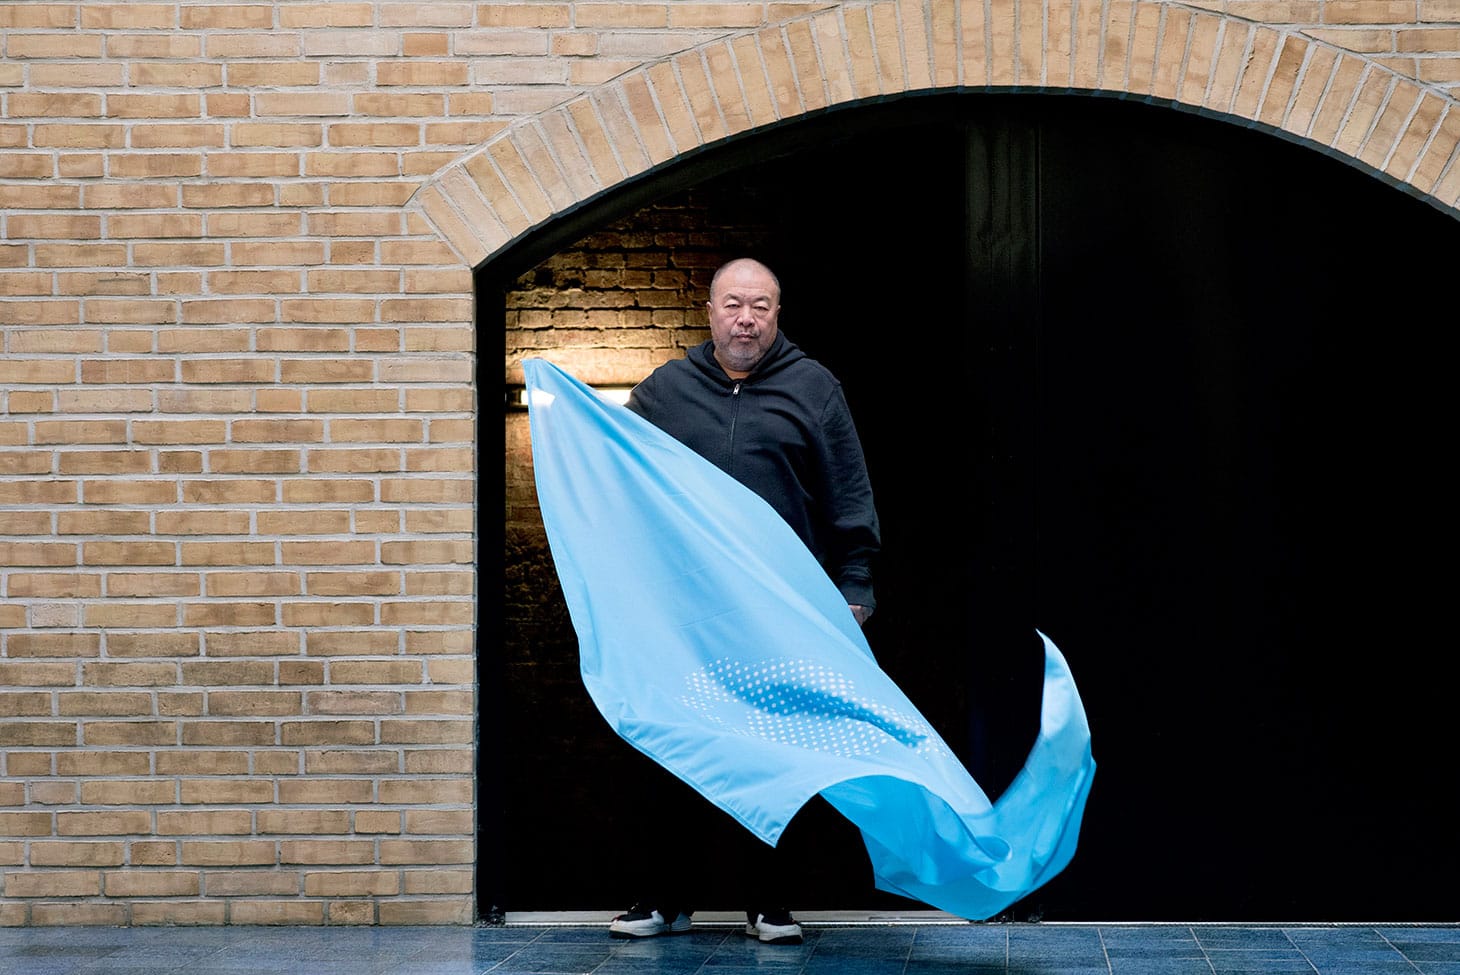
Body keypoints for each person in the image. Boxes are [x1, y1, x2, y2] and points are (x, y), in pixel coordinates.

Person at [607, 257, 881, 945]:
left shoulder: (815, 388)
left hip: (781, 615)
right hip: (686, 617)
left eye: (760, 305)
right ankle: (664, 901)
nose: (746, 318)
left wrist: (856, 588)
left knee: (778, 756)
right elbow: (614, 474)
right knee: (675, 749)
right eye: (733, 304)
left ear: (777, 314)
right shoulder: (666, 391)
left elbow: (850, 495)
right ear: (709, 311)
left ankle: (770, 904)